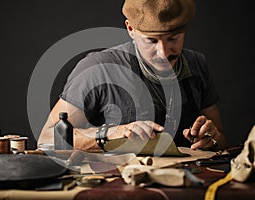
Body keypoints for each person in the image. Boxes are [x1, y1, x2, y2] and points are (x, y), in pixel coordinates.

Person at [38, 0, 227, 152]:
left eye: (173, 38)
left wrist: (211, 138)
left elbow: (221, 138)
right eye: (151, 41)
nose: (163, 52)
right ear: (130, 29)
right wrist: (110, 133)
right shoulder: (98, 69)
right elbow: (47, 139)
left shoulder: (197, 64)